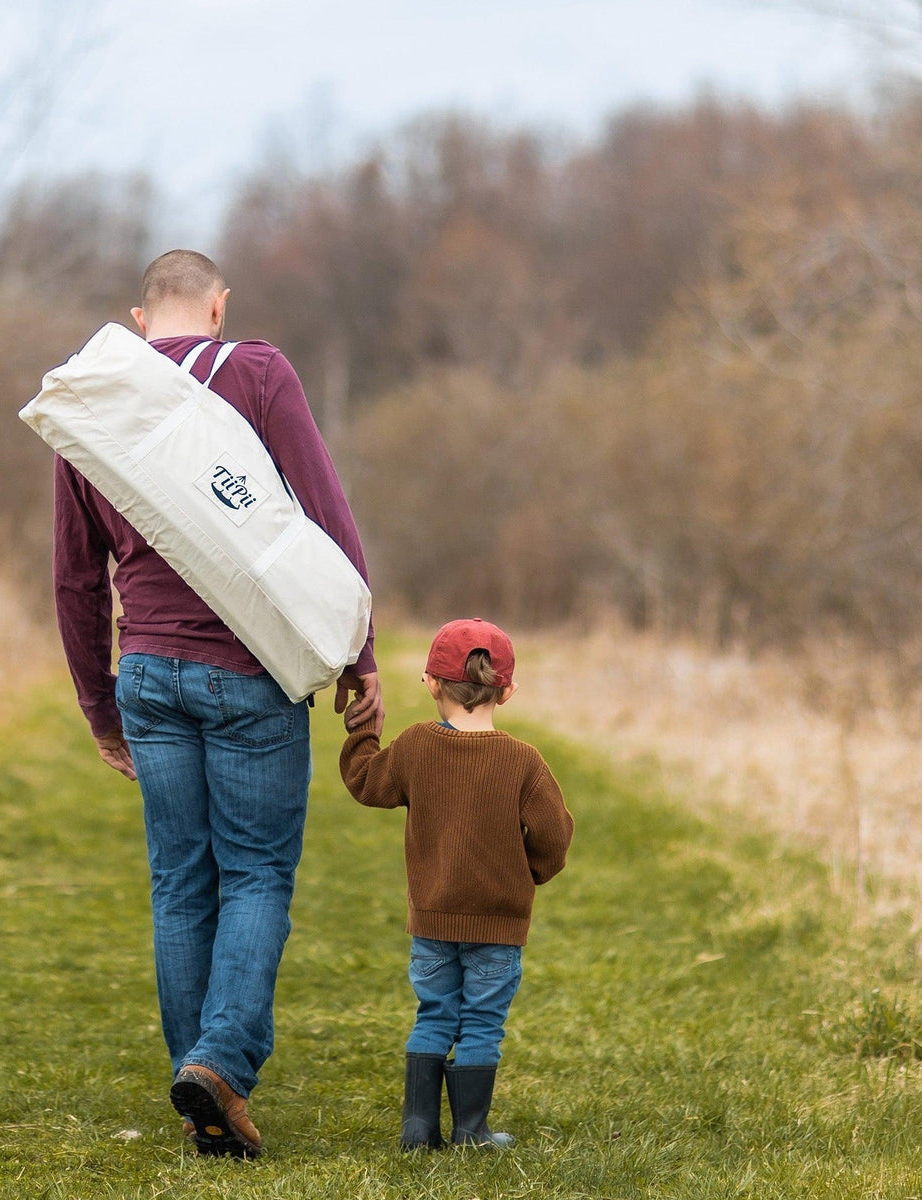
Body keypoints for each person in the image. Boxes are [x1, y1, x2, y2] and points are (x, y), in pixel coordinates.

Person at [51, 249, 382, 1159]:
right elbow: (322, 517)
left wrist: (99, 705)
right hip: (249, 668)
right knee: (256, 874)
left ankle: (201, 1083)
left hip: (148, 673)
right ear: (218, 306)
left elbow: (75, 582)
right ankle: (221, 1065)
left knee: (179, 880)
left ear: (138, 315)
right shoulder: (258, 373)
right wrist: (360, 654)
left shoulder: (91, 406)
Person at [339, 618, 572, 1151]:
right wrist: (529, 873)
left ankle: (417, 1130)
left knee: (434, 1015)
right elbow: (555, 836)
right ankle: (472, 1131)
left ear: (431, 683)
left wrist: (363, 732)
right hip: (498, 926)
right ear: (507, 690)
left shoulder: (417, 745)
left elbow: (367, 781)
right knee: (482, 1022)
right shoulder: (523, 761)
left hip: (433, 921)